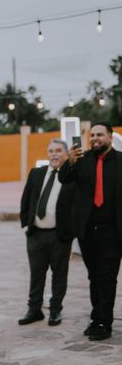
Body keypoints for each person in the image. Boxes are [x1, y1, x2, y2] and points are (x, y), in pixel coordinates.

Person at [59, 122, 122, 341]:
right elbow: (63, 179)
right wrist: (70, 162)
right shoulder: (82, 160)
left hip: (112, 232)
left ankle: (104, 322)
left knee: (107, 278)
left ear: (111, 137)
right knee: (94, 277)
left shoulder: (121, 161)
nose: (95, 138)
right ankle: (97, 318)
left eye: (100, 135)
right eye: (92, 135)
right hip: (87, 232)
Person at [19, 139, 76, 327]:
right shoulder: (37, 174)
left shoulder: (72, 177)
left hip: (59, 235)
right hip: (35, 234)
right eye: (51, 150)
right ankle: (34, 309)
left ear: (66, 154)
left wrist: (71, 231)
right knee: (36, 274)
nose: (54, 154)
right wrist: (26, 226)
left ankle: (55, 310)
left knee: (59, 275)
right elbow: (26, 200)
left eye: (59, 150)